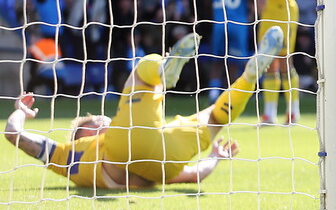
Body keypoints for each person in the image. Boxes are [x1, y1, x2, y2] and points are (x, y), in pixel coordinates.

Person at [4, 27, 284, 188]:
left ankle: (249, 76)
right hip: (132, 147)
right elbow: (13, 133)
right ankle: (164, 70)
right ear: (85, 133)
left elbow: (194, 175)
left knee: (214, 116)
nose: (103, 119)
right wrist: (21, 109)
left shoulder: (64, 161)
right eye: (97, 120)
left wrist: (215, 156)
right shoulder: (87, 145)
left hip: (162, 162)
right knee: (139, 74)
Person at [206, 0, 256, 103]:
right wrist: (251, 17)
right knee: (234, 62)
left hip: (219, 23)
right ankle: (231, 97)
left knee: (216, 60)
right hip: (238, 24)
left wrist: (214, 16)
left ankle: (213, 94)